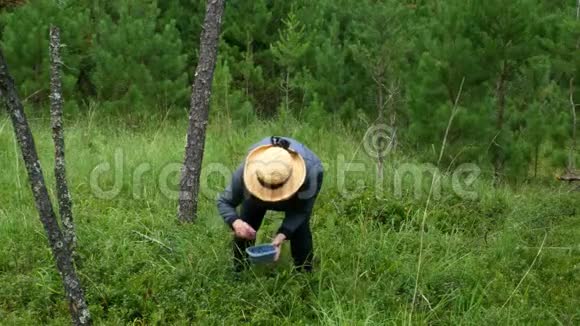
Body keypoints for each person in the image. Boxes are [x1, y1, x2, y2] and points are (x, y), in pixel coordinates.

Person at [217, 136, 324, 272]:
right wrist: (236, 222)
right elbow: (224, 201)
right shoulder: (246, 172)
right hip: (254, 197)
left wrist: (281, 236)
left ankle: (304, 275)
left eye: (277, 190)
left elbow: (301, 211)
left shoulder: (312, 173)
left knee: (299, 229)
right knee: (246, 226)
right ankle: (240, 271)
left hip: (297, 197)